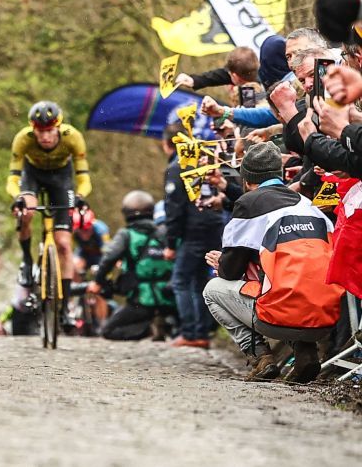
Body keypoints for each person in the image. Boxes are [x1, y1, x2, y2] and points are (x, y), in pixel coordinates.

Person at [203, 142, 343, 382]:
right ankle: (305, 353)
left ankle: (261, 358)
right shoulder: (308, 205)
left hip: (281, 316)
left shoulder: (248, 204)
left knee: (212, 290)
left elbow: (231, 270)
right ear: (279, 174)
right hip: (328, 316)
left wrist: (221, 263)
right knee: (291, 280)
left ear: (246, 180)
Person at [6, 100, 90, 325]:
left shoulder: (73, 137)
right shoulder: (23, 139)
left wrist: (81, 195)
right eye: (40, 131)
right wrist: (18, 198)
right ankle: (26, 259)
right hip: (33, 175)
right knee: (28, 210)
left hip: (62, 178)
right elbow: (13, 179)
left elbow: (83, 178)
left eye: (49, 131)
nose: (45, 137)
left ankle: (64, 309)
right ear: (33, 129)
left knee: (63, 244)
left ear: (58, 128)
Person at [161, 120, 223, 349]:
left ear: (168, 144)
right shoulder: (204, 159)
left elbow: (173, 209)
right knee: (200, 280)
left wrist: (170, 243)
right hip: (215, 224)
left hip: (193, 229)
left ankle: (189, 332)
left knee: (181, 280)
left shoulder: (177, 167)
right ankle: (202, 332)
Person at [89, 191, 175, 341]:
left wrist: (98, 282)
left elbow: (109, 258)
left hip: (141, 300)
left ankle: (148, 329)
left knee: (109, 330)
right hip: (169, 297)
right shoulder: (167, 233)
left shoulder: (127, 234)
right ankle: (167, 324)